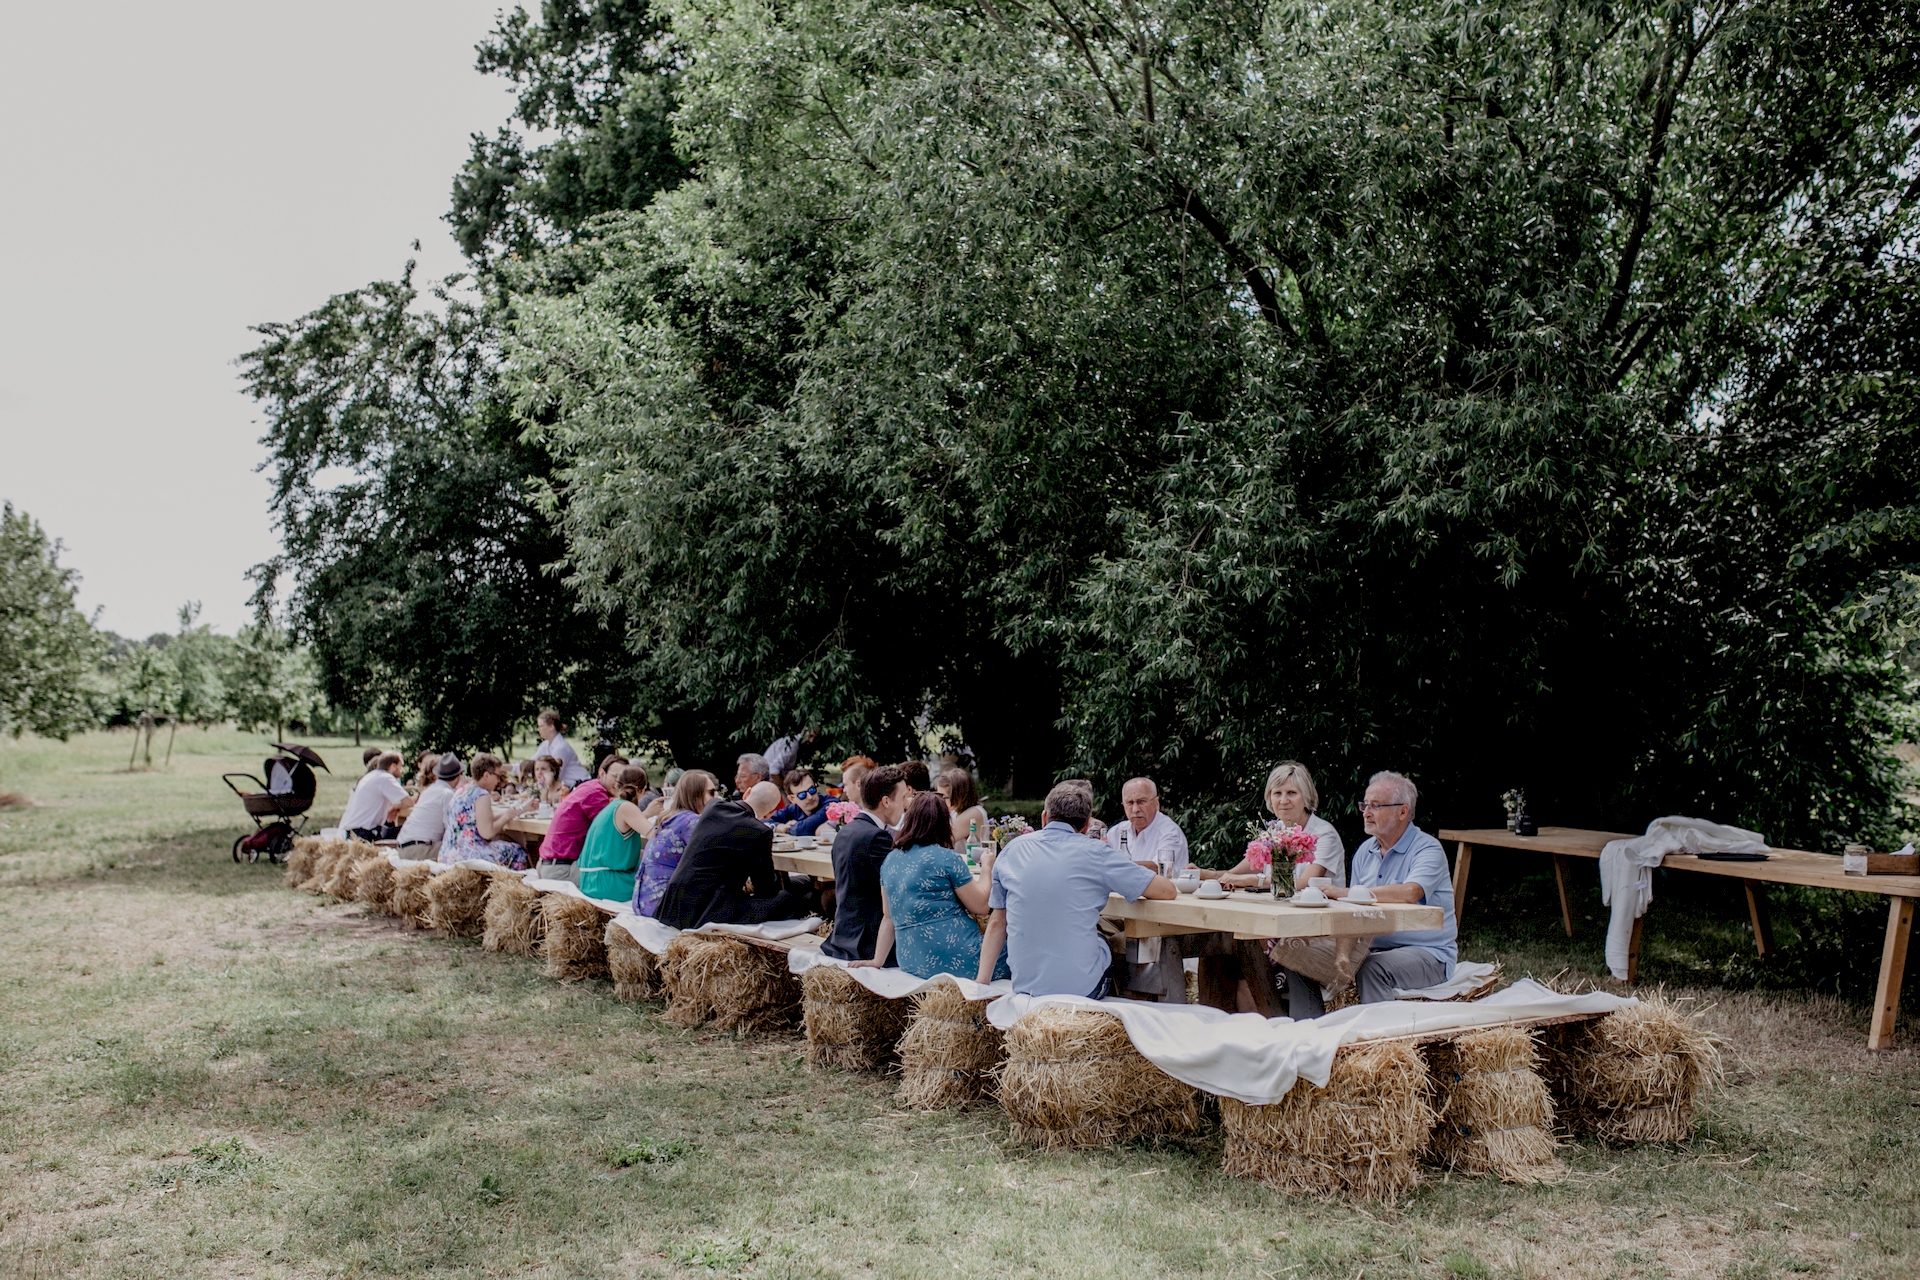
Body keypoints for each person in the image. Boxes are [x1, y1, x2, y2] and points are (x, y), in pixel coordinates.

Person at [1276, 771, 1456, 1018]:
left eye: (1376, 806)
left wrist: (1347, 892)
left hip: (1428, 954)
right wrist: (1342, 953)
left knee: (1371, 968)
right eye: (1365, 804)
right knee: (1297, 959)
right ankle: (1312, 1037)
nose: (1366, 812)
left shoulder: (1427, 848)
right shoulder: (1365, 851)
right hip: (1370, 947)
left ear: (1402, 812)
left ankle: (1381, 1045)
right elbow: (1354, 913)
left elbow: (1410, 892)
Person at [977, 782, 1176, 996]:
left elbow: (997, 922)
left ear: (1044, 817)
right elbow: (1167, 891)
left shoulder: (1011, 850)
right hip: (1082, 992)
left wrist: (980, 985)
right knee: (1109, 941)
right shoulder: (1097, 852)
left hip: (1025, 988)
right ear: (1087, 825)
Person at [851, 792, 1008, 981]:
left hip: (911, 961)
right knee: (1014, 950)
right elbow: (982, 907)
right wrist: (987, 866)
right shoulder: (947, 858)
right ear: (944, 823)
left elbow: (888, 917)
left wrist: (877, 961)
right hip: (960, 959)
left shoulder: (890, 860)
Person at [653, 781, 813, 928]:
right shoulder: (760, 831)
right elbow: (765, 889)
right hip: (707, 912)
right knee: (786, 899)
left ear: (747, 792)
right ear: (770, 813)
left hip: (672, 905)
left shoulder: (713, 807)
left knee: (797, 886)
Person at [1206, 761, 1347, 889]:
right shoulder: (1274, 831)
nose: (1283, 800)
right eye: (1277, 793)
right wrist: (1202, 874)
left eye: (1292, 793)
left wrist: (1254, 880)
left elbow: (1305, 883)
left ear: (1306, 797)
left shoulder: (1324, 834)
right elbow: (1233, 874)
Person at [820, 765, 911, 961]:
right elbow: (899, 889)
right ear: (886, 801)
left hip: (842, 934)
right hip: (867, 942)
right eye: (903, 797)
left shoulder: (845, 831)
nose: (906, 804)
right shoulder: (877, 838)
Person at [634, 770, 717, 916]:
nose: (717, 797)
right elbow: (711, 859)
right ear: (696, 795)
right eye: (711, 792)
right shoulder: (692, 822)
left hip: (644, 900)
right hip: (662, 906)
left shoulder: (669, 817)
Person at [537, 752, 630, 881]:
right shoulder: (596, 794)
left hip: (549, 864)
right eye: (616, 777)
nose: (620, 783)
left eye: (625, 779)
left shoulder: (590, 786)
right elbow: (614, 832)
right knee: (625, 882)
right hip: (561, 870)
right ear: (602, 774)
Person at [439, 753, 536, 869]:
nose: (498, 781)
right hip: (468, 855)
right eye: (497, 776)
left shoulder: (462, 790)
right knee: (518, 851)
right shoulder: (481, 794)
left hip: (447, 855)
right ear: (486, 775)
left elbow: (483, 817)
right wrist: (506, 817)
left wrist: (521, 810)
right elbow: (487, 832)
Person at [575, 765, 653, 903]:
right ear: (642, 790)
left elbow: (621, 851)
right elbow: (656, 837)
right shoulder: (627, 807)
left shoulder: (613, 806)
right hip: (606, 883)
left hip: (590, 881)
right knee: (659, 883)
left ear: (617, 785)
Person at [1104, 777, 1189, 875]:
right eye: (1130, 803)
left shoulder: (1170, 833)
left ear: (1156, 803)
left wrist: (1116, 867)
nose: (1135, 809)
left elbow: (1160, 869)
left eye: (1141, 802)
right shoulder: (1116, 833)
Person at [394, 753, 463, 859]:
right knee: (465, 849)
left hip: (403, 847)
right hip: (420, 850)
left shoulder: (429, 790)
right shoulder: (447, 794)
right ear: (458, 777)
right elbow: (451, 829)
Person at [340, 751, 408, 842]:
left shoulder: (370, 776)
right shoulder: (386, 778)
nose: (401, 770)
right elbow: (408, 802)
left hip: (354, 831)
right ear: (393, 766)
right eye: (401, 766)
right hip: (364, 833)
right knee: (408, 833)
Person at [533, 709, 591, 787]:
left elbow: (555, 776)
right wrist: (511, 767)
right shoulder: (545, 745)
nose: (538, 729)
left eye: (541, 726)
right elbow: (531, 763)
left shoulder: (561, 748)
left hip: (578, 785)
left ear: (551, 727)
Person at [935, 767, 990, 849]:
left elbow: (941, 841)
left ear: (958, 797)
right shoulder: (955, 811)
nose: (940, 801)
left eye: (943, 797)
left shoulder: (973, 813)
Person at [768, 768, 831, 836]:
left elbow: (801, 829)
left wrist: (788, 829)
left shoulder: (831, 804)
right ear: (792, 799)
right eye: (802, 795)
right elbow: (763, 821)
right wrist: (779, 827)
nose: (810, 797)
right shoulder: (793, 809)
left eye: (812, 790)